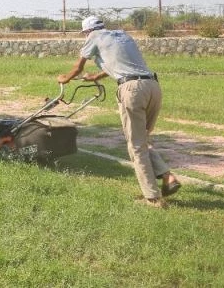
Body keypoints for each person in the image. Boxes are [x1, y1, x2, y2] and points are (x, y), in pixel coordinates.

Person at [57, 16, 181, 208]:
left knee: (136, 146)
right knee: (143, 140)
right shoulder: (122, 35)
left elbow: (78, 66)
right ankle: (167, 176)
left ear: (87, 31)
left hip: (132, 90)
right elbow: (120, 63)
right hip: (152, 86)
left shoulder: (94, 36)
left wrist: (64, 78)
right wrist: (97, 76)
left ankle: (153, 198)